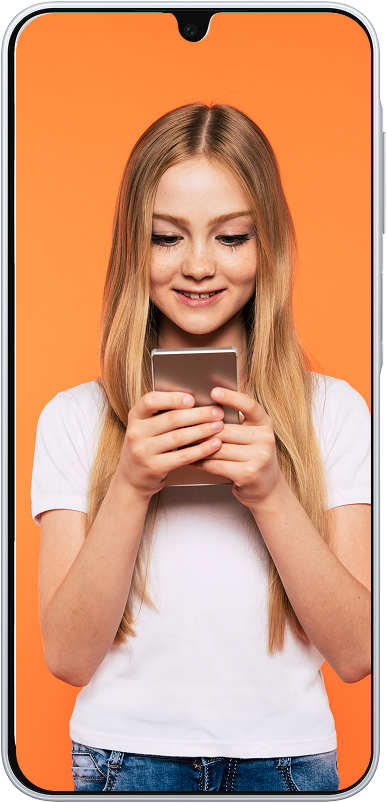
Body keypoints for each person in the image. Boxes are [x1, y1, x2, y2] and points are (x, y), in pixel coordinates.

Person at [31, 103, 371, 793]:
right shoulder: (73, 417)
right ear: (135, 245)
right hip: (123, 761)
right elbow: (65, 657)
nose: (197, 264)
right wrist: (128, 485)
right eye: (166, 236)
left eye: (231, 235)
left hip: (287, 759)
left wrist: (273, 493)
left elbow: (357, 651)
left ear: (266, 244)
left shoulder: (334, 411)